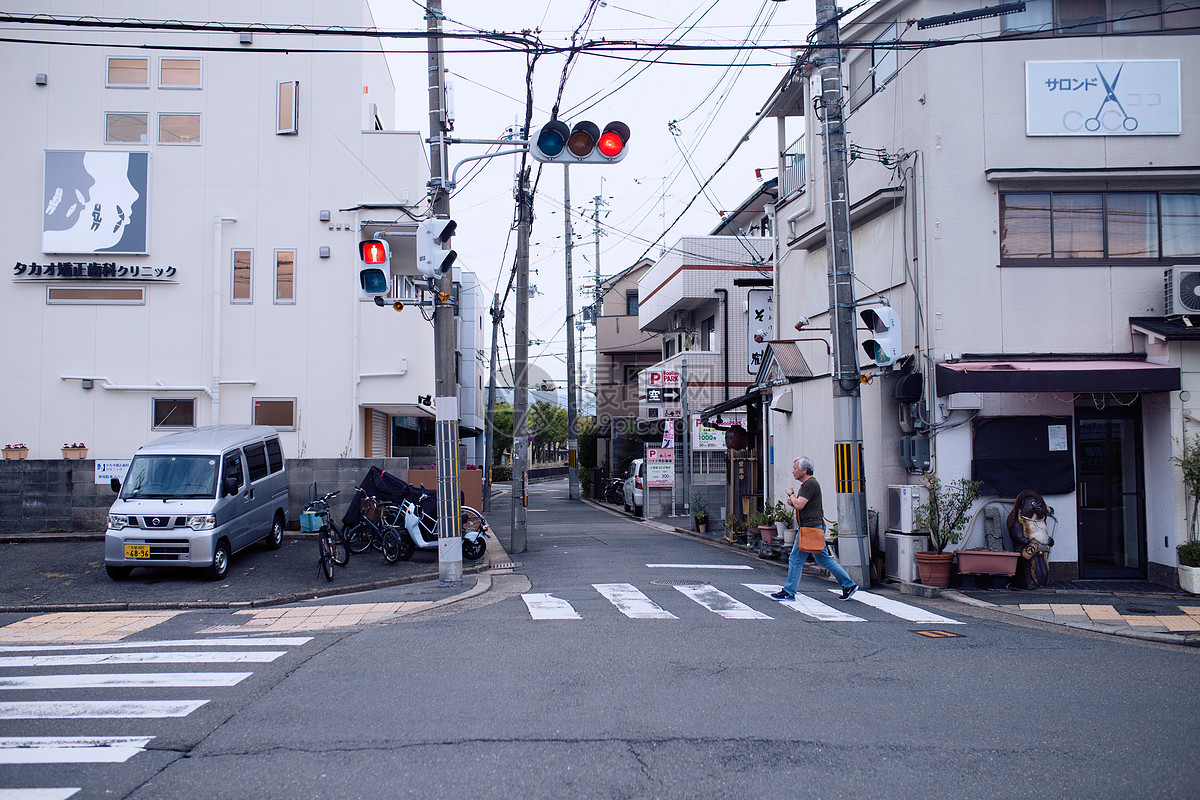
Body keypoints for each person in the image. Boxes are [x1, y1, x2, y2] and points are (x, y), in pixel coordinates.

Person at [772, 456, 858, 601]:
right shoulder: (808, 484)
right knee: (822, 558)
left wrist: (791, 494)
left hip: (809, 529)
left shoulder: (810, 484)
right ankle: (848, 584)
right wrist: (793, 501)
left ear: (804, 470)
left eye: (795, 468)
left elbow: (799, 505)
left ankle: (789, 591)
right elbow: (800, 504)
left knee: (796, 559)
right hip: (812, 527)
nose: (793, 471)